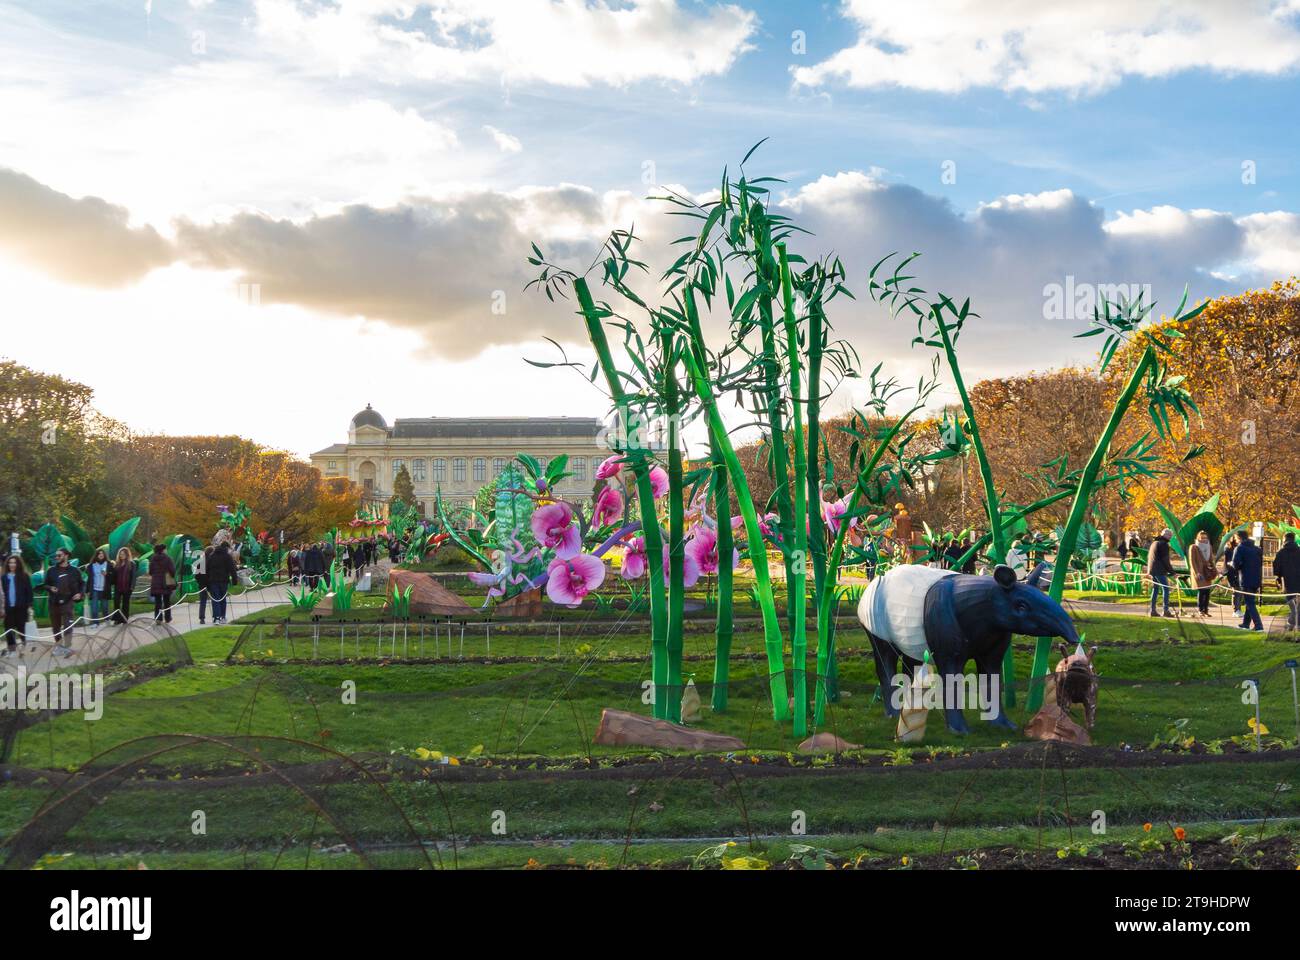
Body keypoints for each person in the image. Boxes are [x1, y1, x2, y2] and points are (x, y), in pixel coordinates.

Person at [45, 548, 83, 656]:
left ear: (66, 556)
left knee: (68, 625)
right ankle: (59, 646)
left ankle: (67, 646)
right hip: (54, 602)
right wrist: (50, 588)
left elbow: (82, 584)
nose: (56, 557)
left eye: (59, 555)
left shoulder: (75, 571)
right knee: (55, 626)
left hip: (68, 601)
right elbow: (45, 584)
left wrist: (80, 594)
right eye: (56, 556)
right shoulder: (51, 570)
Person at [1231, 532, 1264, 631]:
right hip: (1256, 578)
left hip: (1246, 579)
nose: (1236, 541)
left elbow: (1236, 564)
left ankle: (1258, 625)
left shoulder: (1240, 548)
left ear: (1239, 538)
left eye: (1236, 539)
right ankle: (1246, 624)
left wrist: (1231, 564)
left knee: (1250, 603)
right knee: (1250, 601)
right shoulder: (1257, 549)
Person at [2, 554, 33, 656]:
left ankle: (24, 647)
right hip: (8, 608)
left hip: (21, 608)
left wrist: (29, 606)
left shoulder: (24, 576)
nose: (12, 564)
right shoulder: (4, 577)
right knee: (9, 629)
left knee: (21, 628)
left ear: (18, 564)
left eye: (14, 562)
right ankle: (12, 650)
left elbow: (29, 592)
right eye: (10, 562)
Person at [1272, 531, 1300, 632]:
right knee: (1297, 605)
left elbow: (1276, 567)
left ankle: (1292, 624)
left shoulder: (1281, 552)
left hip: (1288, 582)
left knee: (1292, 603)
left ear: (1285, 539)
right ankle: (1292, 623)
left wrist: (1278, 579)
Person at [1147, 528, 1176, 617]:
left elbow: (1150, 558)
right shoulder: (1164, 544)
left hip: (1153, 570)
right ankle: (1165, 610)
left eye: (1171, 535)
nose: (1170, 537)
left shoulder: (1154, 543)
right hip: (1160, 570)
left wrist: (1149, 571)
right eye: (1169, 535)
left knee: (1155, 589)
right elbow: (1165, 560)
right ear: (1165, 535)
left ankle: (1152, 610)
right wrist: (1173, 572)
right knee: (1166, 589)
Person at [206, 541, 237, 624]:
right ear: (226, 548)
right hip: (224, 581)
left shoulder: (211, 556)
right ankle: (222, 616)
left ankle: (216, 617)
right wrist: (235, 580)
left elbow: (207, 569)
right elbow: (232, 569)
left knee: (215, 599)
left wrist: (207, 581)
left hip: (213, 581)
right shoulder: (227, 557)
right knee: (223, 599)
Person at [1189, 529, 1217, 617]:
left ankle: (1206, 610)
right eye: (1202, 537)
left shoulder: (1209, 547)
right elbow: (1192, 561)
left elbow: (1211, 560)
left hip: (1207, 572)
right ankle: (1200, 610)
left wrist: (1215, 570)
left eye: (1205, 537)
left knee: (1207, 592)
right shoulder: (1194, 547)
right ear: (1198, 538)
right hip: (1199, 572)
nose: (1204, 539)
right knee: (1201, 591)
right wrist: (1196, 572)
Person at [147, 543, 176, 624]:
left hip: (156, 583)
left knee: (158, 602)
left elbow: (150, 571)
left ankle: (158, 618)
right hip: (165, 583)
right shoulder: (168, 559)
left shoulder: (153, 559)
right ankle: (167, 617)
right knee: (167, 601)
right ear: (163, 550)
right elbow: (172, 571)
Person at [87, 548, 111, 629]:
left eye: (102, 553)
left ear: (104, 555)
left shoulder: (108, 564)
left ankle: (107, 620)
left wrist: (107, 574)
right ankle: (95, 623)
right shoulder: (91, 565)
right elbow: (89, 579)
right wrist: (87, 590)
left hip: (104, 589)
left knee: (104, 607)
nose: (101, 555)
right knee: (94, 607)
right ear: (96, 555)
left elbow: (113, 577)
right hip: (94, 589)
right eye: (99, 553)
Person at [111, 547, 136, 623]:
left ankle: (124, 618)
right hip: (118, 587)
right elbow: (114, 576)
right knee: (116, 603)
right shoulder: (117, 564)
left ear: (127, 555)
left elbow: (133, 576)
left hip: (127, 587)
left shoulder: (132, 564)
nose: (122, 556)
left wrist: (132, 587)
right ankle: (117, 619)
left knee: (125, 604)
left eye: (123, 554)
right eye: (120, 554)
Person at [1222, 533, 1242, 614]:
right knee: (1236, 591)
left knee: (1240, 592)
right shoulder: (1229, 549)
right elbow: (1228, 561)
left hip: (1239, 572)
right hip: (1232, 572)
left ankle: (1238, 609)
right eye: (1237, 539)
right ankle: (1236, 609)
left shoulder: (1240, 548)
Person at [193, 545, 211, 624]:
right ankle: (216, 616)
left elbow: (197, 574)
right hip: (211, 583)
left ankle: (202, 618)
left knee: (203, 601)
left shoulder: (200, 562)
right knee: (215, 600)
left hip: (202, 583)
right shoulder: (212, 561)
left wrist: (199, 581)